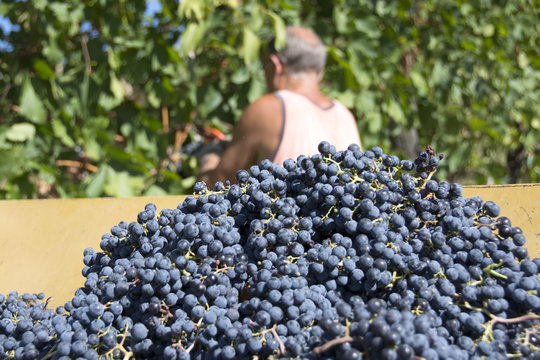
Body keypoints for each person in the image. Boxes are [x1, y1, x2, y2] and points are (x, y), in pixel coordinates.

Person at [199, 26, 362, 185]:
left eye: (265, 67)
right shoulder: (345, 114)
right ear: (320, 71)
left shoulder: (269, 108)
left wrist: (209, 158)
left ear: (275, 64)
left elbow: (218, 185)